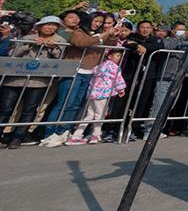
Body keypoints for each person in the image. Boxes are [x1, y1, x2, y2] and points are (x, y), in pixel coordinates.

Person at [41, 10, 119, 147]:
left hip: (89, 73)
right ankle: (50, 133)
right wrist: (102, 36)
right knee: (65, 102)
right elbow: (81, 43)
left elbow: (111, 45)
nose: (98, 24)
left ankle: (64, 131)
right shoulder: (78, 32)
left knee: (76, 104)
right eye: (96, 21)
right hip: (74, 71)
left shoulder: (99, 34)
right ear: (89, 20)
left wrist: (112, 36)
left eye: (100, 22)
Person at [0, 16, 67, 149]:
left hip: (39, 80)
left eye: (54, 25)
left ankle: (18, 137)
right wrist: (29, 44)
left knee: (30, 110)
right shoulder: (26, 38)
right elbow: (13, 54)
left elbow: (60, 59)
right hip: (16, 78)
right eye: (47, 24)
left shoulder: (61, 41)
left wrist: (52, 48)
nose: (50, 27)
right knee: (5, 108)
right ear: (40, 26)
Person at [65, 48, 127, 145]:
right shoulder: (114, 67)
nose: (119, 58)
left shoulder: (99, 66)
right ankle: (96, 134)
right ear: (110, 56)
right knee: (100, 114)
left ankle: (76, 135)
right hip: (103, 92)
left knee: (89, 115)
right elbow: (118, 78)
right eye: (117, 55)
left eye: (119, 56)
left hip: (93, 93)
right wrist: (121, 89)